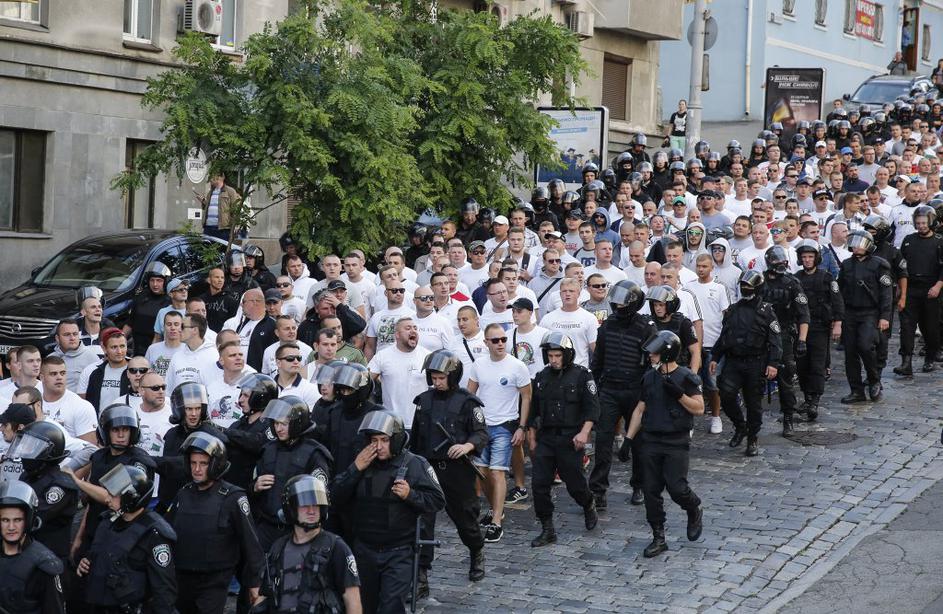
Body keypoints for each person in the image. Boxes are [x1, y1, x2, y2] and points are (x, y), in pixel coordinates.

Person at [332, 410, 445, 614]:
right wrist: (355, 469)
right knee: (365, 606)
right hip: (364, 550)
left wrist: (410, 495)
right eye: (374, 440)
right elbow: (335, 497)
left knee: (390, 607)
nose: (379, 446)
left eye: (384, 440)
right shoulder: (363, 462)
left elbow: (437, 500)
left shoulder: (414, 464)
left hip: (399, 552)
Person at [411, 350, 489, 584]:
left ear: (453, 376)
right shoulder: (423, 401)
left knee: (465, 517)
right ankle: (422, 572)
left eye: (441, 378)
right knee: (423, 522)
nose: (437, 382)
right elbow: (415, 438)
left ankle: (476, 552)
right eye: (433, 378)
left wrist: (467, 446)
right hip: (428, 469)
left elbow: (481, 434)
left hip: (456, 470)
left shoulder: (467, 402)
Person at [626, 331, 704, 557]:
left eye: (654, 352)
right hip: (651, 440)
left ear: (667, 353)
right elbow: (640, 409)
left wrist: (680, 395)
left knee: (677, 487)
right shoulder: (649, 377)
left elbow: (699, 408)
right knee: (651, 491)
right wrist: (629, 439)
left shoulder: (686, 377)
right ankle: (658, 537)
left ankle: (693, 508)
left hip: (675, 441)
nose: (650, 356)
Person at [171, 432, 264, 614]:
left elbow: (251, 544)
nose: (197, 469)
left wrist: (255, 582)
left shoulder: (233, 497)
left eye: (203, 463)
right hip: (183, 577)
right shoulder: (183, 494)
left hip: (214, 580)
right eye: (193, 463)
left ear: (215, 464)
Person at [589, 280, 657, 508]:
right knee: (603, 441)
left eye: (621, 302)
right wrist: (596, 389)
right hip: (609, 389)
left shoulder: (646, 327)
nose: (617, 306)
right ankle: (598, 490)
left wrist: (646, 395)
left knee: (638, 442)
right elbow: (597, 361)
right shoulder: (607, 326)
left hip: (635, 390)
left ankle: (638, 485)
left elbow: (653, 363)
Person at [527, 332, 599, 547]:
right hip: (546, 438)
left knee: (574, 483)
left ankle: (588, 503)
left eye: (557, 355)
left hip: (570, 438)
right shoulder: (542, 377)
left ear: (566, 355)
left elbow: (592, 408)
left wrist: (584, 432)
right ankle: (547, 528)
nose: (554, 360)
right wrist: (531, 436)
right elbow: (534, 409)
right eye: (550, 355)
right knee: (539, 484)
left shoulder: (582, 376)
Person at [77, 464, 177, 613]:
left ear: (131, 497)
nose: (108, 498)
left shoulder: (154, 533)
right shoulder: (107, 521)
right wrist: (87, 562)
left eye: (113, 494)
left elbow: (163, 589)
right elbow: (100, 555)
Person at [256, 475, 362, 613]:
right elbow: (264, 595)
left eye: (316, 505)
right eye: (305, 505)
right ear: (291, 508)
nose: (311, 511)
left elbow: (352, 599)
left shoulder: (336, 547)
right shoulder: (278, 547)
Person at [466, 324, 532, 543]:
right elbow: (470, 395)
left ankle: (496, 521)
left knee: (497, 472)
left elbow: (526, 397)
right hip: (482, 427)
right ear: (486, 342)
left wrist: (522, 427)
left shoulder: (517, 366)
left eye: (503, 339)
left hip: (505, 426)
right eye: (495, 340)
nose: (500, 343)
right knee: (481, 473)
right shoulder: (479, 365)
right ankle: (497, 508)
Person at [709, 270, 782, 456]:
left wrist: (773, 363)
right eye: (743, 286)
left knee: (753, 404)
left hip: (756, 362)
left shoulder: (766, 311)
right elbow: (724, 336)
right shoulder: (734, 309)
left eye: (749, 286)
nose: (745, 289)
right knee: (726, 394)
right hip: (734, 361)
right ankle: (740, 426)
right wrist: (716, 357)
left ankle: (752, 438)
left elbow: (775, 339)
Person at [253, 396, 333, 551]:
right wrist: (255, 486)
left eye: (284, 423)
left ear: (297, 423)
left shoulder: (314, 453)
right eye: (276, 423)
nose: (279, 428)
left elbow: (322, 497)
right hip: (266, 529)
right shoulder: (268, 450)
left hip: (298, 531)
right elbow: (252, 489)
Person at [10, 421, 80, 562]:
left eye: (30, 446)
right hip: (24, 553)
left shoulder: (61, 486)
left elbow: (33, 516)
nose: (24, 451)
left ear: (48, 452)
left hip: (49, 559)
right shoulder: (27, 475)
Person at [759, 246, 810, 436]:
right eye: (776, 260)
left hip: (783, 335)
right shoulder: (760, 281)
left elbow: (804, 313)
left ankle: (788, 416)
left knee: (786, 376)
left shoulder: (791, 283)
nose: (780, 264)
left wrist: (802, 340)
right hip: (761, 335)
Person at [154, 382, 228, 513]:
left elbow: (182, 466)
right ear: (179, 409)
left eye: (198, 408)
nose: (194, 414)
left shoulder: (212, 435)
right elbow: (168, 474)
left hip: (201, 504)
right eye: (189, 409)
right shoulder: (172, 434)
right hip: (170, 503)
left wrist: (151, 461)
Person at [838, 231, 894, 403]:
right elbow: (840, 290)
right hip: (850, 312)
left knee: (865, 346)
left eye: (861, 243)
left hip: (870, 312)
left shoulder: (879, 265)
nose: (857, 247)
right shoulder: (846, 265)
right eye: (855, 243)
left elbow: (886, 292)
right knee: (850, 353)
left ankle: (873, 379)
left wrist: (885, 316)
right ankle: (856, 390)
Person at [795, 241, 844, 421]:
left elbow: (837, 300)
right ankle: (807, 398)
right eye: (804, 257)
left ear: (817, 258)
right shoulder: (796, 278)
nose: (807, 260)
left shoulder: (827, 277)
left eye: (810, 257)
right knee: (802, 365)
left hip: (820, 327)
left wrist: (838, 323)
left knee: (817, 364)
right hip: (800, 327)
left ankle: (814, 401)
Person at [0, 481, 66, 614]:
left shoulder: (43, 565)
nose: (11, 527)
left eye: (18, 520)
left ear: (29, 520)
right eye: (5, 520)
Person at [897, 205, 943, 376]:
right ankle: (906, 362)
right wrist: (901, 291)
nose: (921, 226)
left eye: (924, 222)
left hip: (931, 289)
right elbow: (901, 267)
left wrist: (938, 286)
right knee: (907, 326)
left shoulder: (939, 241)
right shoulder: (909, 240)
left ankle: (930, 358)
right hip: (911, 288)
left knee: (930, 327)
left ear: (931, 222)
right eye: (918, 223)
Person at [368, 317, 429, 431]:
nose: (413, 331)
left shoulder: (427, 356)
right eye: (408, 328)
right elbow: (366, 382)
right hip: (392, 423)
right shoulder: (383, 356)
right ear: (397, 335)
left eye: (415, 328)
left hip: (421, 423)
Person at [78, 328, 130, 413]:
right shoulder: (95, 373)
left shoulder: (136, 370)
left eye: (122, 346)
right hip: (100, 424)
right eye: (114, 347)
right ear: (104, 348)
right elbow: (85, 404)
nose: (119, 351)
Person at [50, 319, 100, 392]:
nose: (72, 338)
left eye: (75, 334)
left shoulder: (91, 357)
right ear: (57, 338)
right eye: (67, 335)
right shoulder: (50, 359)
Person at [197, 172, 241, 240]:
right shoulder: (210, 192)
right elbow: (208, 207)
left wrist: (236, 225)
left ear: (221, 178)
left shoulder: (230, 191)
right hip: (208, 228)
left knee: (221, 249)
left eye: (214, 177)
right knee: (206, 248)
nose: (211, 179)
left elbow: (235, 209)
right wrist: (203, 201)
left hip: (222, 229)